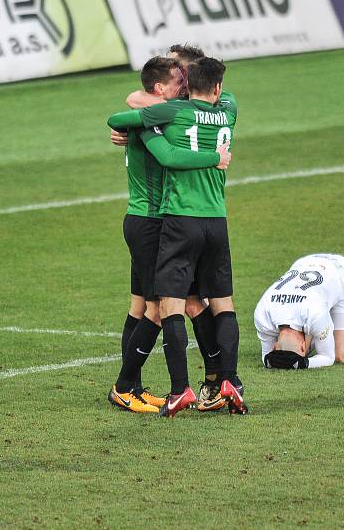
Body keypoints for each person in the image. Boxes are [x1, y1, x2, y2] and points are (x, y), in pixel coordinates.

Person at [108, 57, 247, 417]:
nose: (182, 83)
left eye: (184, 75)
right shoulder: (172, 114)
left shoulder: (171, 112)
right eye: (176, 79)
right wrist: (215, 157)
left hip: (167, 221)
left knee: (179, 303)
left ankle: (208, 380)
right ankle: (127, 387)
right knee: (150, 308)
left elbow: (130, 107)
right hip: (152, 221)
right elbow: (159, 145)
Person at [254, 254, 344, 369]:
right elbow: (267, 356)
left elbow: (329, 357)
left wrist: (304, 363)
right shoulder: (262, 314)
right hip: (305, 265)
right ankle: (329, 326)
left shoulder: (314, 315)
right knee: (318, 331)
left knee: (343, 355)